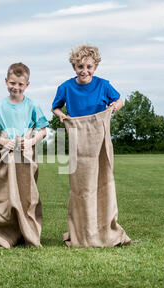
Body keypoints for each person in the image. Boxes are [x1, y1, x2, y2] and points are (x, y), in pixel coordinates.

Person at [52, 44, 132, 248]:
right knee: (81, 187)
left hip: (100, 141)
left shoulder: (104, 85)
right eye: (80, 66)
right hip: (79, 141)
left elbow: (119, 99)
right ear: (74, 68)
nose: (84, 71)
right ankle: (83, 231)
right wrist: (63, 117)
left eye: (88, 66)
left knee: (103, 183)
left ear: (95, 66)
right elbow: (55, 107)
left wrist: (114, 107)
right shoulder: (66, 87)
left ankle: (105, 230)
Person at [0, 62, 49, 248]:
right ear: (6, 81)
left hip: (25, 157)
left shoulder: (33, 105)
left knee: (27, 196)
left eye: (20, 84)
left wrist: (30, 142)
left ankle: (28, 233)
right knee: (3, 197)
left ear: (27, 85)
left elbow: (43, 130)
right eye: (12, 83)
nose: (16, 87)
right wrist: (4, 142)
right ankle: (5, 234)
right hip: (3, 156)